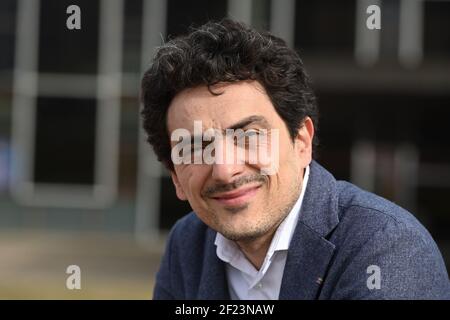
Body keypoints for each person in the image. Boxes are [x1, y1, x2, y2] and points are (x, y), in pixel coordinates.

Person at [141, 19, 450, 299]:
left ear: (302, 141)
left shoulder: (387, 246)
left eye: (248, 136)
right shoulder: (188, 243)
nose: (224, 170)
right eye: (196, 148)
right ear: (175, 176)